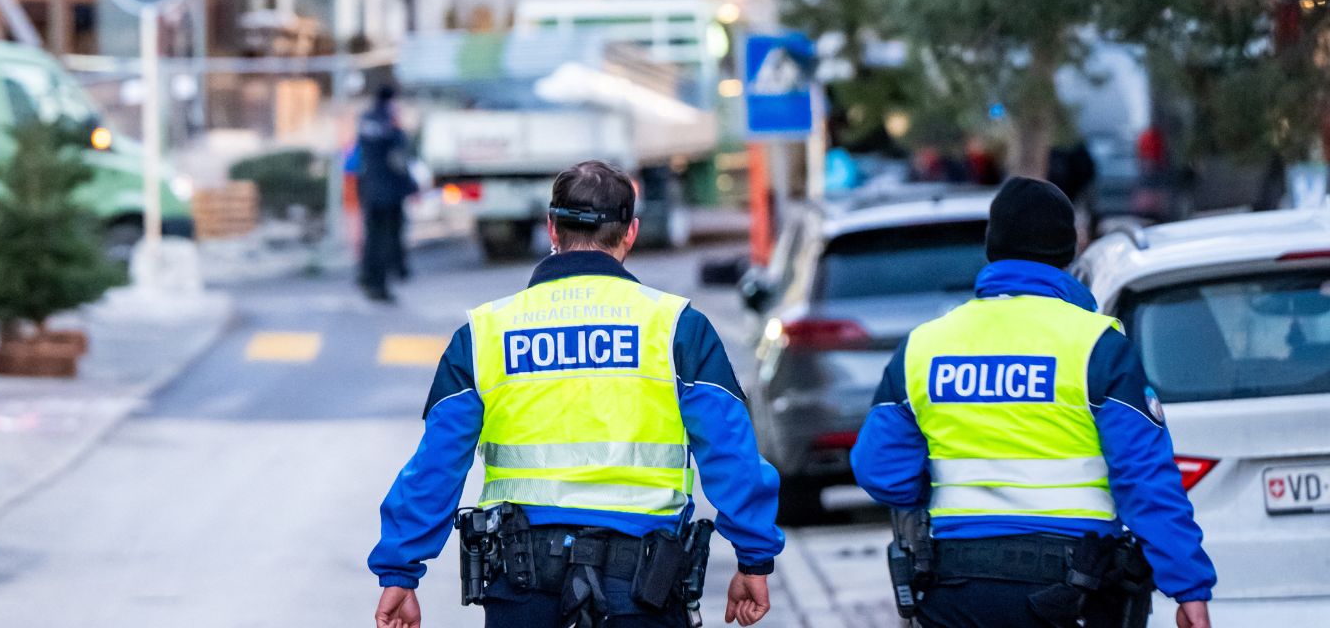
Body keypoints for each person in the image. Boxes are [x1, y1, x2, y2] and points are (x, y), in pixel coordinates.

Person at [369, 160, 783, 628]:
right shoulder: (676, 328)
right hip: (641, 592)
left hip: (523, 591)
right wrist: (753, 557)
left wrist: (400, 572)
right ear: (630, 233)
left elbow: (437, 465)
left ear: (551, 229)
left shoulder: (486, 332)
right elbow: (733, 454)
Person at [850, 177, 1215, 628]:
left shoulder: (926, 346)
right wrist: (1188, 587)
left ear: (993, 247)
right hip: (1076, 587)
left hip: (958, 588)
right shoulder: (1095, 346)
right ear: (1069, 251)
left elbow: (878, 469)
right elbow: (1144, 478)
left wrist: (938, 487)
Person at [356, 82, 417, 303]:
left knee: (372, 238)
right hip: (389, 192)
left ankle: (367, 276)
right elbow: (398, 159)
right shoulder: (391, 125)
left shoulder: (367, 119)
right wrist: (411, 184)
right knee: (387, 239)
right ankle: (379, 286)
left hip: (370, 189)